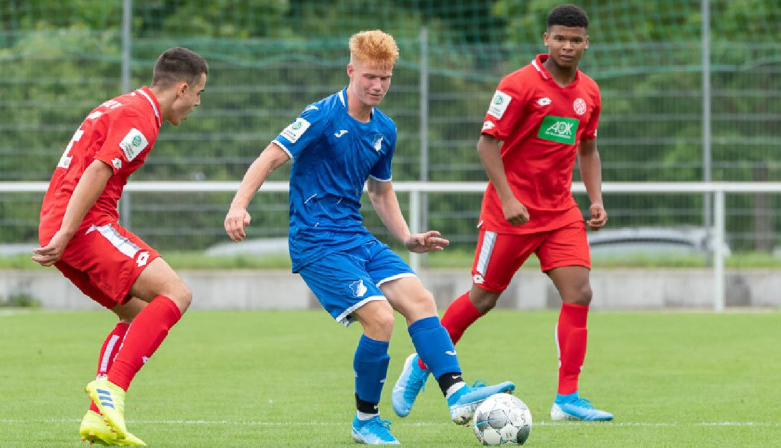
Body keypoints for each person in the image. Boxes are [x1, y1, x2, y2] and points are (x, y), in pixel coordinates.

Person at [224, 30, 514, 445]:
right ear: (350, 71)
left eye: (386, 78)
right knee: (379, 317)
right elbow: (269, 157)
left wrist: (407, 237)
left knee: (421, 299)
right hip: (316, 242)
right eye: (369, 77)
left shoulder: (385, 129)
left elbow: (380, 190)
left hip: (355, 237)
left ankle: (457, 395)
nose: (377, 86)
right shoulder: (322, 115)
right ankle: (365, 421)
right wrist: (238, 206)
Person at [391, 4, 614, 422]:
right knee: (484, 298)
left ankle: (567, 398)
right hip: (508, 213)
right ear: (546, 40)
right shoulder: (518, 84)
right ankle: (421, 365)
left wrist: (595, 198)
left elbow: (588, 147)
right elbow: (486, 144)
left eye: (576, 39)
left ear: (587, 43)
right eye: (560, 38)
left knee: (580, 293)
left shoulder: (590, 93)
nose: (567, 46)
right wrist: (508, 198)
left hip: (560, 212)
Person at [32, 47, 208, 445]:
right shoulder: (142, 118)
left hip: (65, 224)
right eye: (198, 93)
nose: (198, 103)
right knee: (176, 293)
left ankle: (99, 418)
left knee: (140, 316)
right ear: (181, 88)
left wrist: (60, 230)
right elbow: (98, 169)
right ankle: (113, 387)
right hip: (82, 225)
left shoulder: (125, 105)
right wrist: (67, 232)